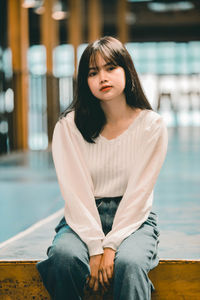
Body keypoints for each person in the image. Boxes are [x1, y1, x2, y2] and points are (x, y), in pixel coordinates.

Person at [37, 36, 168, 300]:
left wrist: (112, 246)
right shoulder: (69, 126)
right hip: (83, 216)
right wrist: (95, 246)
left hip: (134, 218)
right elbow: (76, 193)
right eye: (92, 72)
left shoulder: (151, 125)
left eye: (110, 68)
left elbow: (139, 194)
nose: (102, 78)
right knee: (64, 258)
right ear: (85, 81)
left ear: (126, 70)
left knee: (129, 264)